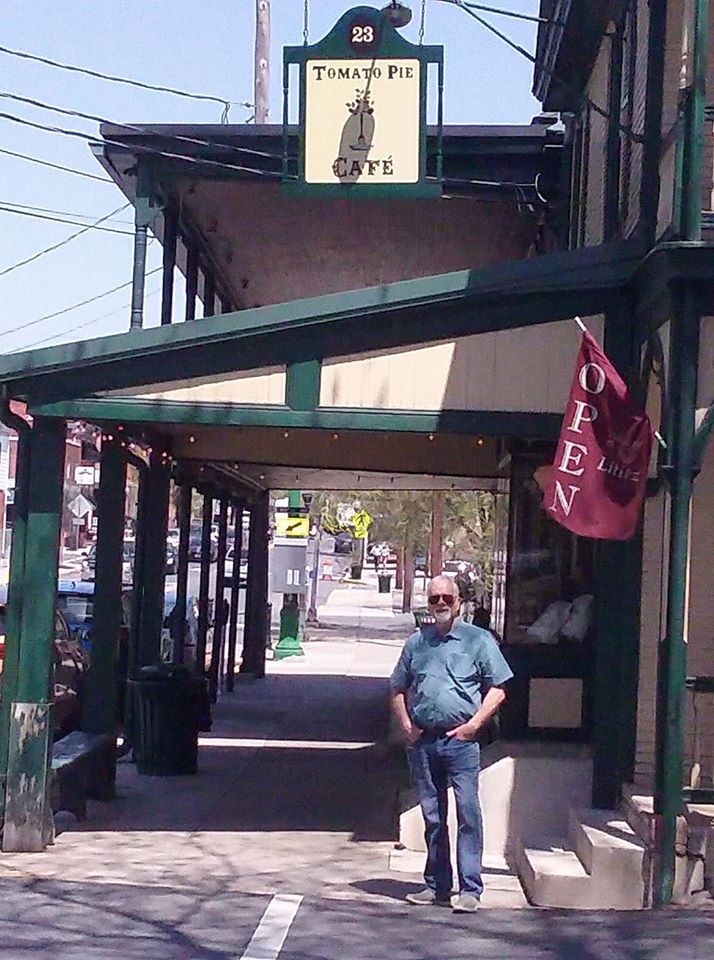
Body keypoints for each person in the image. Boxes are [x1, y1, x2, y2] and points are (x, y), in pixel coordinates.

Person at [389, 575, 513, 913]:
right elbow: (397, 687)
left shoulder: (478, 640)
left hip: (461, 743)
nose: (441, 603)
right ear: (428, 604)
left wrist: (473, 725)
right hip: (425, 742)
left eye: (447, 598)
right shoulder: (417, 643)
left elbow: (499, 687)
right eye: (434, 599)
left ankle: (470, 889)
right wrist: (407, 726)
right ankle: (437, 886)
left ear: (458, 602)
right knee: (432, 816)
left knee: (468, 813)